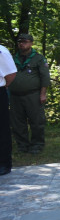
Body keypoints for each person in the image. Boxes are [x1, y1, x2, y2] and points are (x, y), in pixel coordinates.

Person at [10, 34, 50, 154]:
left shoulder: (38, 58)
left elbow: (45, 77)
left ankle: (37, 145)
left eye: (25, 42)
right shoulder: (12, 58)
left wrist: (43, 94)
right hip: (15, 95)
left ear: (31, 43)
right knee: (17, 122)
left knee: (36, 121)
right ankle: (22, 145)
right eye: (20, 42)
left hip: (32, 94)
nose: (22, 44)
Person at [0, 43, 16, 176]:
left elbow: (10, 74)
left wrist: (4, 86)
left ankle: (4, 163)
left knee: (2, 128)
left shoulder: (1, 51)